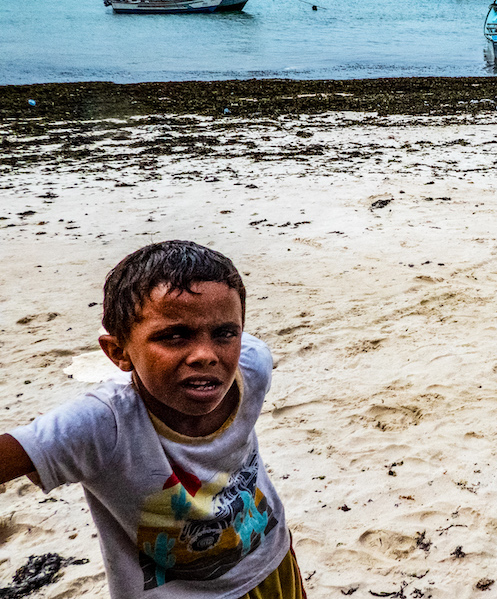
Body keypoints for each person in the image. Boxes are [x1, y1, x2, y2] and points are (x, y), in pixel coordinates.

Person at [0, 241, 306, 599]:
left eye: (225, 332)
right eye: (174, 336)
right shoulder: (103, 425)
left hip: (271, 561)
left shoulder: (251, 366)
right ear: (118, 352)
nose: (206, 355)